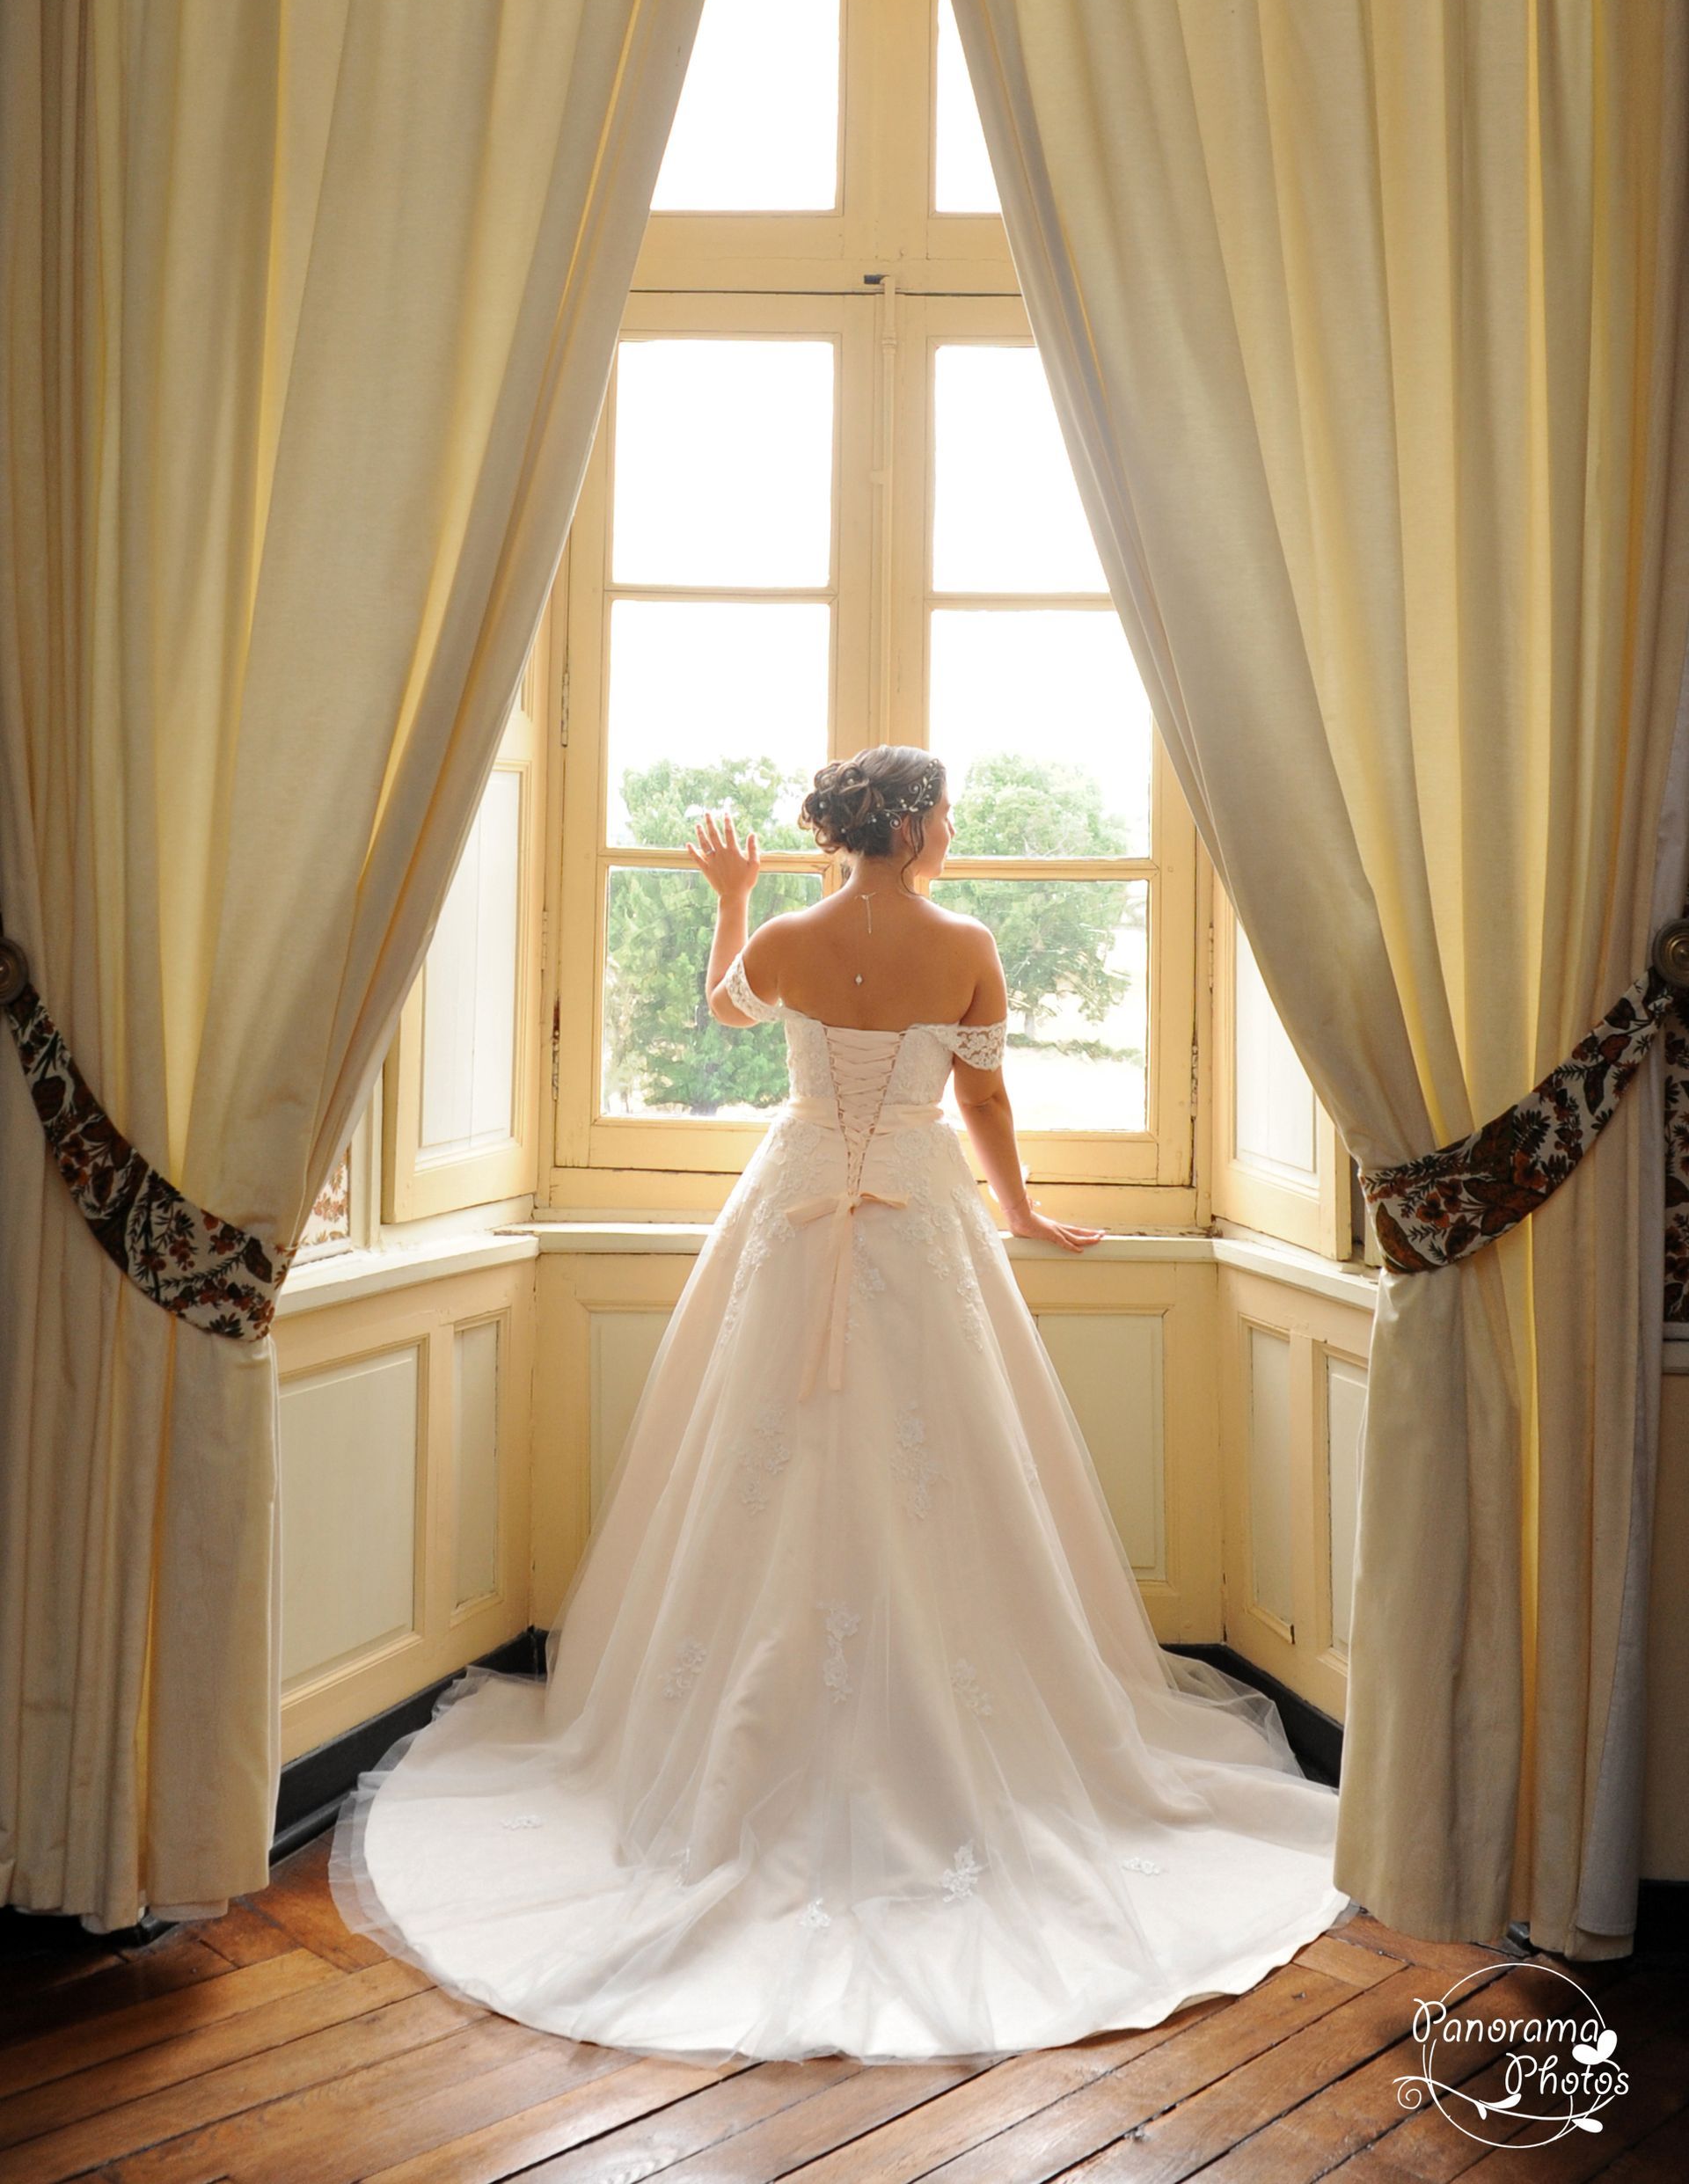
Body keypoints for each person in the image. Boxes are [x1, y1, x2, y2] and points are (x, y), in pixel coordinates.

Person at [330, 745, 1351, 2066]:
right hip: (918, 1213)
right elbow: (981, 1092)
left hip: (795, 1205)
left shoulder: (798, 939)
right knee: (942, 1467)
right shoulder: (968, 937)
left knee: (769, 1458)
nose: (950, 828)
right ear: (920, 824)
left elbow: (725, 1010)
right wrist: (1024, 1212)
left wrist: (730, 894)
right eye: (947, 813)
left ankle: (741, 1754)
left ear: (843, 830)